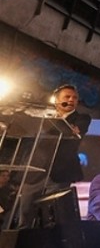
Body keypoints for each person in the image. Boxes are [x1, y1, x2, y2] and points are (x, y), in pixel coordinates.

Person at [16, 83, 92, 227]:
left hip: (60, 172)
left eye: (74, 98)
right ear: (56, 99)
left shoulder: (81, 118)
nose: (71, 100)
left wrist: (74, 129)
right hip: (35, 169)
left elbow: (77, 129)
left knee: (48, 214)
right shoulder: (43, 115)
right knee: (25, 211)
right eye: (67, 97)